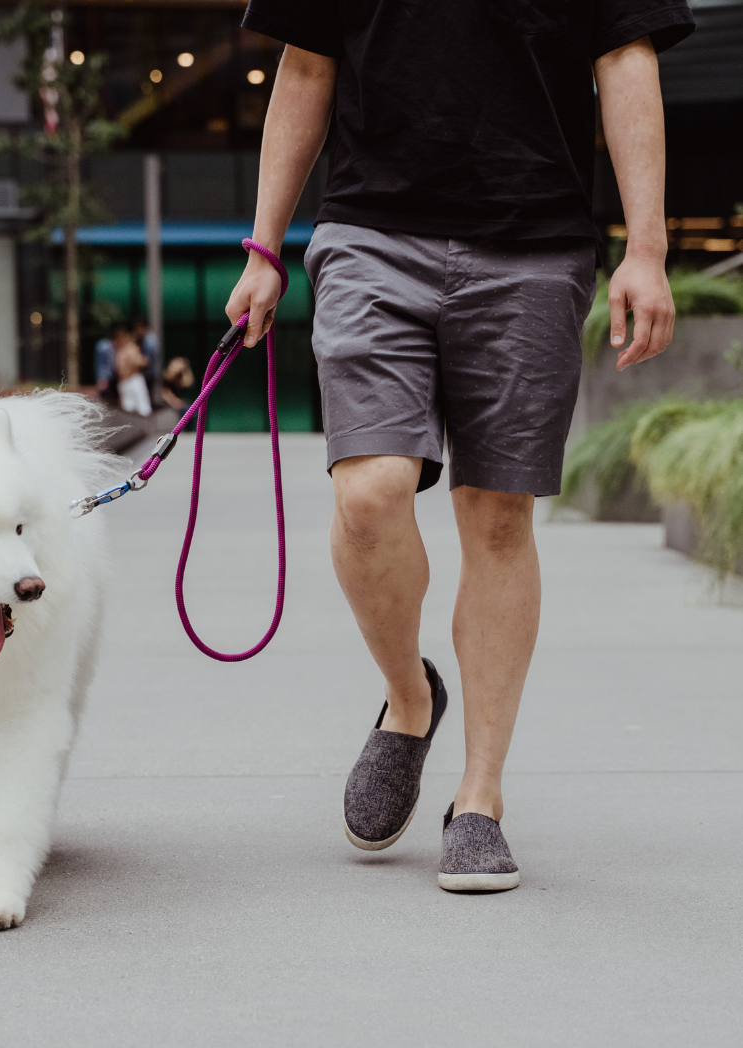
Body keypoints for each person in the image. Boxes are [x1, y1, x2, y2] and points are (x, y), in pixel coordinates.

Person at [229, 0, 693, 892]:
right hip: (370, 233)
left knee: (498, 519)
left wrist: (649, 246)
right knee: (368, 492)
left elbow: (627, 60)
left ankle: (479, 800)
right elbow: (306, 67)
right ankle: (410, 698)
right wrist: (265, 246)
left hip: (533, 244)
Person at [113, 327, 152, 417]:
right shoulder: (130, 348)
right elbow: (136, 361)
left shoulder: (120, 351)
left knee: (130, 409)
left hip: (125, 382)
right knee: (141, 408)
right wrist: (145, 360)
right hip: (132, 380)